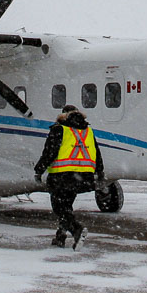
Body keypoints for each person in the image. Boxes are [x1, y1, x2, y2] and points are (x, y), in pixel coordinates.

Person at [33, 106, 104, 248]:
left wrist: (39, 169)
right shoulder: (88, 130)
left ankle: (77, 230)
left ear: (63, 115)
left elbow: (49, 152)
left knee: (59, 208)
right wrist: (100, 171)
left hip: (62, 176)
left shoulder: (60, 129)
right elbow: (96, 151)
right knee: (66, 207)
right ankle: (60, 237)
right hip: (82, 177)